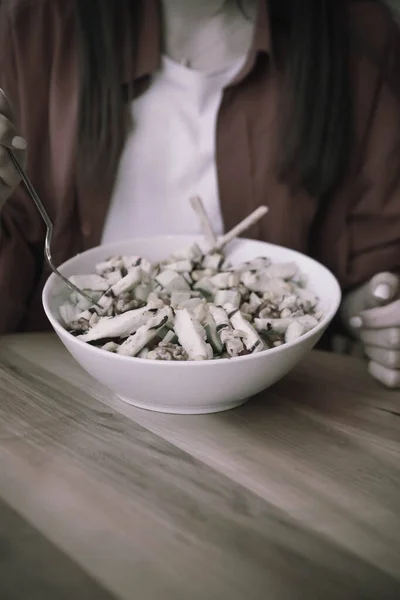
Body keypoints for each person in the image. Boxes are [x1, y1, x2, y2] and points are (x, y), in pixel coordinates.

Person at [0, 0, 400, 387]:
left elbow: (365, 278)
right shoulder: (36, 28)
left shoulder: (356, 32)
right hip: (59, 400)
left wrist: (378, 315)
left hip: (284, 414)